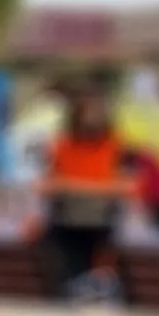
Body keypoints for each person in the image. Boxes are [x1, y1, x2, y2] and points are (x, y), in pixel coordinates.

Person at [34, 86, 132, 302]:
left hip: (101, 221)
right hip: (67, 221)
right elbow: (46, 184)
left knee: (104, 264)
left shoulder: (114, 145)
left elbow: (127, 185)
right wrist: (79, 186)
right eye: (85, 111)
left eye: (96, 112)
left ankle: (102, 287)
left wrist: (75, 186)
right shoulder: (62, 145)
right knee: (63, 262)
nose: (90, 119)